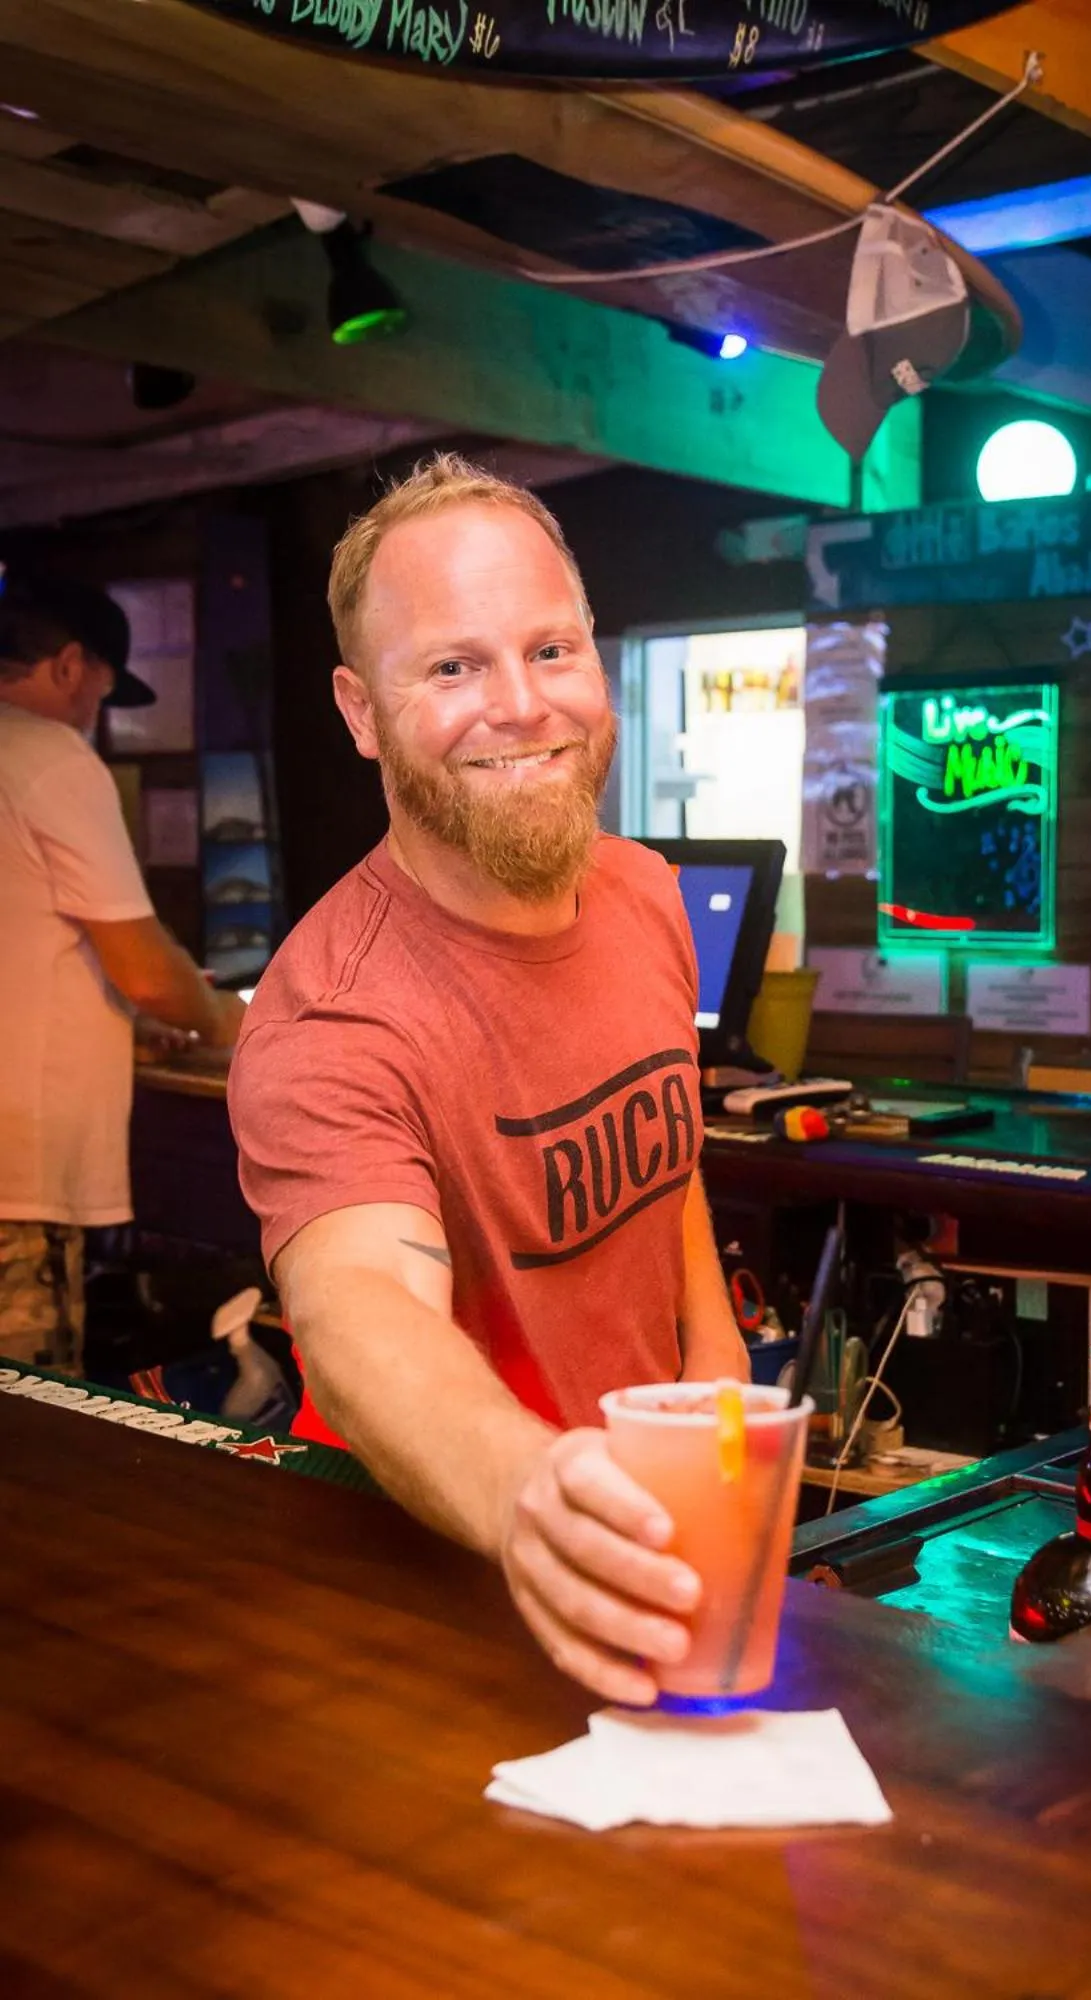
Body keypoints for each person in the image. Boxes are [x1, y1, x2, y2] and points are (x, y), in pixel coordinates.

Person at [228, 454, 748, 1705]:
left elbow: (661, 1152)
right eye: (453, 666)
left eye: (551, 649)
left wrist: (719, 1368)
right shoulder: (334, 1013)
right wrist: (533, 1491)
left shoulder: (641, 893)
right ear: (360, 712)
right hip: (428, 1562)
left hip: (642, 1526)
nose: (521, 704)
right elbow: (360, 1311)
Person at [0, 571, 245, 1372]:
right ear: (70, 666)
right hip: (20, 1176)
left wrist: (123, 1033)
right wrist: (233, 1023)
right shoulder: (50, 758)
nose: (94, 718)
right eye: (100, 694)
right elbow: (145, 968)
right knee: (36, 1442)